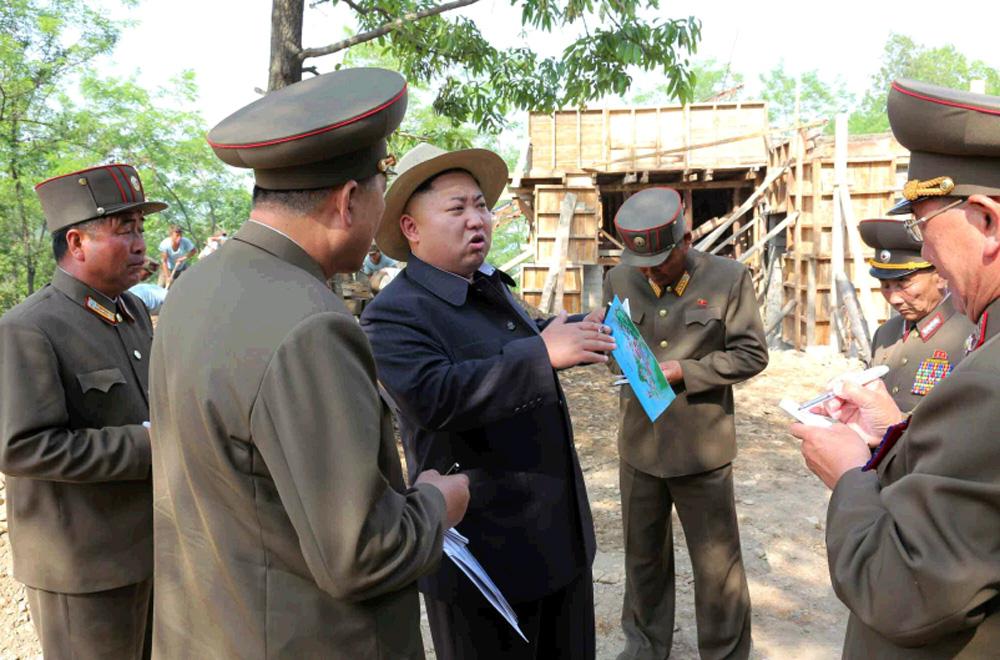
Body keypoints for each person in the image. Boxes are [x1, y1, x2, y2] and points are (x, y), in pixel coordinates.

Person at [148, 69, 469, 658]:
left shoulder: (196, 287)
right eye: (380, 189)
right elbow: (361, 553)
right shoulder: (312, 325)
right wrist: (436, 501)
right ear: (350, 201)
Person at [361, 142, 615, 659]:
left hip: (557, 540)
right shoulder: (392, 314)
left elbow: (507, 345)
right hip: (485, 557)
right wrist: (541, 353)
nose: (477, 219)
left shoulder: (490, 288)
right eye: (456, 209)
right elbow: (434, 397)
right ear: (411, 229)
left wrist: (564, 331)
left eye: (480, 205)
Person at [792, 79, 1000, 657]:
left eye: (925, 228)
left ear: (986, 221)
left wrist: (853, 476)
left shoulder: (988, 377)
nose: (927, 254)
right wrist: (892, 433)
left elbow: (901, 590)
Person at [0, 164, 166, 659]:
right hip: (84, 566)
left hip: (148, 549)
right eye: (124, 230)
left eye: (141, 228)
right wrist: (154, 441)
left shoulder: (131, 312)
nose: (140, 243)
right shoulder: (30, 328)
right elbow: (22, 447)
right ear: (76, 242)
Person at [603, 187, 768, 660]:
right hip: (639, 447)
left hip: (702, 446)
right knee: (642, 560)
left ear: (686, 239)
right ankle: (644, 648)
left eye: (660, 259)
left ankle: (726, 653)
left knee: (718, 568)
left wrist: (685, 372)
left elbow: (752, 354)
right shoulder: (618, 279)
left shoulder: (728, 278)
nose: (651, 272)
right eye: (642, 263)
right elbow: (616, 347)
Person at [858, 218, 974, 411]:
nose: (893, 298)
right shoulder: (886, 334)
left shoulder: (970, 331)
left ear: (940, 276)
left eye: (903, 284)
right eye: (885, 285)